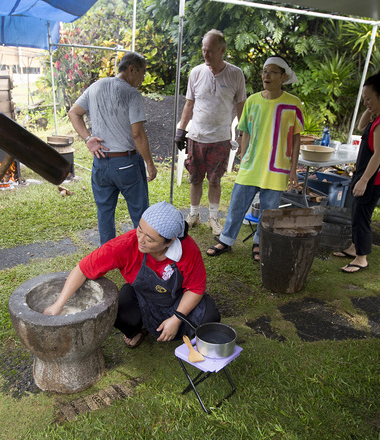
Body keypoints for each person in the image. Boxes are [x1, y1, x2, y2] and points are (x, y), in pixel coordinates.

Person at [44, 201, 221, 349]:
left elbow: (196, 288)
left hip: (177, 299)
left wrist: (177, 318)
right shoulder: (125, 245)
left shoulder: (187, 249)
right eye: (140, 229)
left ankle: (177, 330)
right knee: (114, 310)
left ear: (169, 242)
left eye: (150, 239)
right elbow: (83, 269)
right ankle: (138, 329)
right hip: (142, 297)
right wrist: (59, 304)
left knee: (210, 318)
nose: (140, 239)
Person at [206, 56, 303, 261]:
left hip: (277, 167)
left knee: (268, 210)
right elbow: (245, 131)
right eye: (264, 71)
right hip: (251, 164)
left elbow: (296, 139)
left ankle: (259, 242)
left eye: (272, 72)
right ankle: (226, 239)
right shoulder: (252, 100)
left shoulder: (294, 104)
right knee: (237, 204)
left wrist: (293, 169)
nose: (266, 76)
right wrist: (243, 155)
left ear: (283, 76)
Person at [68, 52, 157, 245]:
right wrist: (150, 163)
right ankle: (142, 256)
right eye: (142, 73)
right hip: (126, 164)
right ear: (132, 69)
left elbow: (74, 113)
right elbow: (137, 134)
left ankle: (106, 259)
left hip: (100, 163)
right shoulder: (132, 93)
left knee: (105, 214)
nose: (142, 79)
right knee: (139, 213)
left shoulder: (96, 86)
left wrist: (88, 138)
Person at [175, 29, 247, 235]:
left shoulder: (235, 74)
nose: (206, 55)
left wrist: (242, 135)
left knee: (215, 180)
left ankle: (213, 218)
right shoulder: (196, 72)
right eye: (203, 50)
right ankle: (194, 214)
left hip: (221, 138)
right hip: (196, 136)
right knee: (195, 178)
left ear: (222, 50)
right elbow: (189, 104)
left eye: (210, 51)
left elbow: (241, 107)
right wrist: (181, 130)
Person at [334, 71, 380, 273]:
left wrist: (363, 180)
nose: (366, 103)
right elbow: (361, 125)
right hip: (368, 174)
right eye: (364, 99)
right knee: (357, 212)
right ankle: (355, 248)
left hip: (374, 177)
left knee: (362, 216)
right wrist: (370, 107)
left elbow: (379, 154)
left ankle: (361, 258)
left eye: (368, 98)